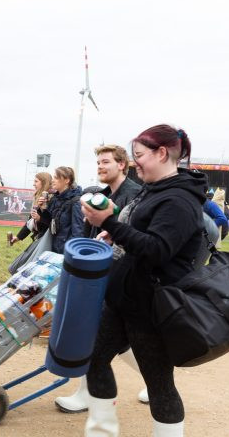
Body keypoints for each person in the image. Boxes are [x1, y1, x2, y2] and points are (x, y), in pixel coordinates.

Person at [81, 125, 207, 436]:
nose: (136, 163)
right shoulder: (155, 187)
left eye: (139, 156)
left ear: (162, 153)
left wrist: (109, 221)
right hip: (123, 299)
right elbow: (141, 230)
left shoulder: (180, 200)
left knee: (159, 385)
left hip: (151, 307)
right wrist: (115, 227)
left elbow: (157, 250)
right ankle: (101, 431)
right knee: (94, 359)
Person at [55, 145, 144, 413]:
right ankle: (154, 379)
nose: (100, 167)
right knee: (109, 336)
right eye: (98, 163)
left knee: (101, 335)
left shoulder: (135, 196)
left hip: (123, 276)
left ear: (122, 165)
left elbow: (136, 238)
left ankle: (88, 394)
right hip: (100, 273)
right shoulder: (99, 195)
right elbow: (85, 235)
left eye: (106, 162)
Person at [39, 166, 84, 254]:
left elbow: (78, 233)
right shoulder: (54, 199)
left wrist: (68, 253)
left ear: (67, 180)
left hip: (65, 252)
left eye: (56, 178)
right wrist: (42, 209)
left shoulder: (76, 201)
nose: (52, 180)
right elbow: (49, 223)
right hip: (52, 248)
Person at [11, 172, 53, 245]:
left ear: (44, 183)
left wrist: (40, 218)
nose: (33, 184)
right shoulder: (37, 197)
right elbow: (31, 221)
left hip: (47, 241)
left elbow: (53, 224)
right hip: (38, 238)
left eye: (36, 181)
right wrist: (18, 237)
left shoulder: (52, 199)